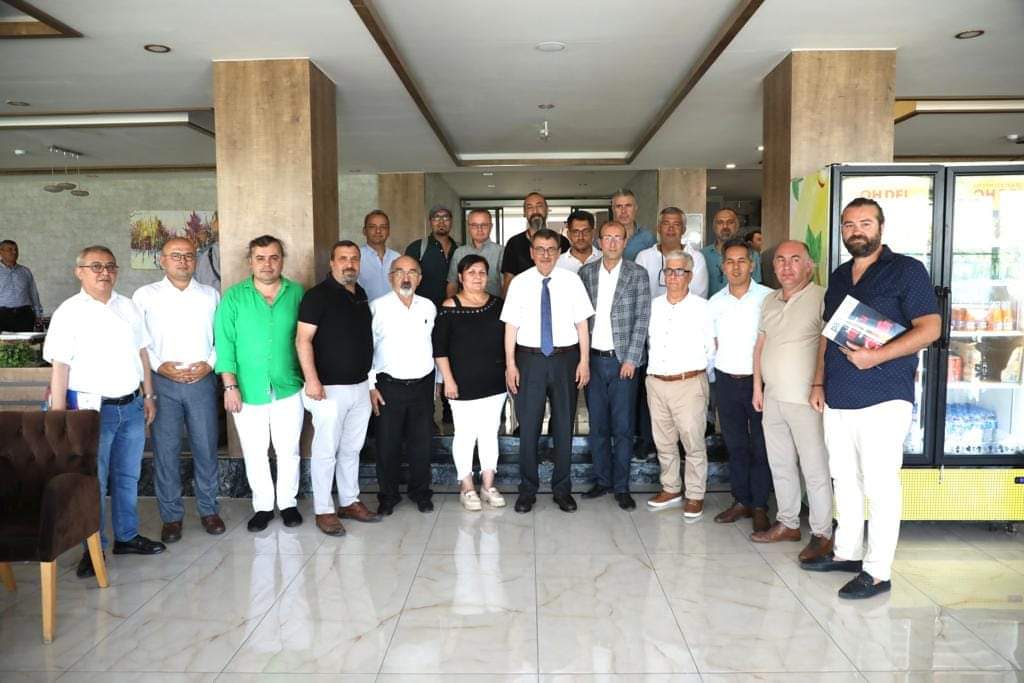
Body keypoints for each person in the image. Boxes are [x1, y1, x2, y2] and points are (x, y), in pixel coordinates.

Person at [803, 198, 940, 600]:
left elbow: (930, 328)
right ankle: (847, 552)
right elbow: (828, 334)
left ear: (881, 227)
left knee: (879, 484)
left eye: (865, 223)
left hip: (884, 394)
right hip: (838, 396)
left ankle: (877, 572)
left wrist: (876, 356)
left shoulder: (907, 270)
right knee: (844, 478)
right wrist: (817, 383)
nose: (856, 231)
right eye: (849, 225)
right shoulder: (840, 276)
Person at [44, 245, 164, 578]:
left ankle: (127, 537)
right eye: (95, 266)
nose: (104, 272)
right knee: (92, 482)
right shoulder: (69, 312)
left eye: (110, 266)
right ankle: (93, 549)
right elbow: (60, 368)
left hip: (131, 405)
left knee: (128, 476)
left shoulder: (128, 306)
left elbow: (143, 354)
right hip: (92, 413)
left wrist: (149, 395)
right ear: (79, 272)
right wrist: (58, 418)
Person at [133, 237, 224, 544]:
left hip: (202, 380)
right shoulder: (145, 295)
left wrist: (209, 365)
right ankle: (171, 517)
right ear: (162, 260)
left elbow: (222, 338)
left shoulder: (210, 295)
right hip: (163, 382)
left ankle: (209, 510)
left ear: (195, 261)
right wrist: (160, 367)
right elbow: (139, 342)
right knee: (166, 451)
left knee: (206, 448)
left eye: (188, 255)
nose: (183, 260)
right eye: (176, 255)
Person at [215, 235, 305, 532]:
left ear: (282, 260)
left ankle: (288, 503)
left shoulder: (297, 293)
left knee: (288, 450)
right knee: (255, 452)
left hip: (288, 386)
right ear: (250, 262)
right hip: (247, 389)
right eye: (260, 258)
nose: (267, 264)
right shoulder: (234, 297)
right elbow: (224, 344)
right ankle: (264, 507)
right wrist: (230, 386)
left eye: (274, 257)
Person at [750, 240, 833, 562]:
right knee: (781, 464)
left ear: (809, 266)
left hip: (805, 400)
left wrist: (818, 385)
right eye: (781, 260)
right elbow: (760, 346)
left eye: (795, 259)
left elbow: (826, 345)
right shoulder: (769, 300)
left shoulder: (822, 297)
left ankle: (822, 533)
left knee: (814, 467)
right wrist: (757, 388)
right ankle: (787, 523)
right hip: (772, 397)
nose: (786, 266)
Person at [501, 228, 594, 513]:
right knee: (528, 427)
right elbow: (511, 326)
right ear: (531, 252)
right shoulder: (519, 283)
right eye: (539, 249)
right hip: (529, 360)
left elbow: (582, 324)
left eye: (551, 249)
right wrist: (510, 364)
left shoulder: (572, 281)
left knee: (564, 426)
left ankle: (562, 489)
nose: (545, 254)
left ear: (558, 252)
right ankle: (527, 489)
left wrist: (584, 361)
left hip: (566, 359)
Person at [296, 240, 379, 536]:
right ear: (332, 263)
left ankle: (349, 501)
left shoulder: (360, 294)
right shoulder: (317, 296)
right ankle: (324, 510)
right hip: (328, 389)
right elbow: (303, 340)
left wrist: (370, 384)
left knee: (351, 449)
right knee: (325, 451)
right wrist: (312, 379)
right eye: (343, 258)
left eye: (354, 258)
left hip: (359, 386)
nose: (349, 264)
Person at [578, 221, 650, 510]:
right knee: (598, 426)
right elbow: (579, 319)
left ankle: (621, 486)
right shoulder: (586, 273)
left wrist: (631, 358)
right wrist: (582, 360)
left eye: (617, 237)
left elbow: (642, 318)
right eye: (607, 237)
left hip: (623, 363)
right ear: (599, 241)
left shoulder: (637, 273)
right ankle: (602, 480)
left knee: (622, 427)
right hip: (593, 360)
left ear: (625, 241)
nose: (611, 242)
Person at [434, 254, 507, 511]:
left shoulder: (498, 304)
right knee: (465, 435)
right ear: (461, 277)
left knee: (489, 434)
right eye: (471, 272)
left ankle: (488, 485)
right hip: (461, 383)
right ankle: (466, 487)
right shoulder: (449, 306)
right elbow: (440, 349)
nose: (477, 277)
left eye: (482, 272)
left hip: (495, 382)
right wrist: (448, 381)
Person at [645, 250, 715, 518]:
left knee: (692, 441)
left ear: (690, 275)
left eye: (679, 271)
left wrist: (700, 380)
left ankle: (695, 494)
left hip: (689, 382)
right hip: (656, 382)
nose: (673, 276)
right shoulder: (654, 306)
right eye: (668, 271)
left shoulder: (703, 307)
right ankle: (671, 487)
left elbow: (712, 348)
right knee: (663, 440)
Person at [709, 238, 773, 532]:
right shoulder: (715, 303)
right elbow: (711, 344)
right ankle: (741, 500)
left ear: (752, 265)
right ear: (722, 267)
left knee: (761, 445)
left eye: (741, 261)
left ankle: (760, 505)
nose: (736, 267)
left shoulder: (768, 298)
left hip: (759, 382)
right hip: (726, 381)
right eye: (730, 262)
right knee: (734, 445)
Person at [370, 255, 437, 515]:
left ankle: (421, 493)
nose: (406, 277)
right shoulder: (377, 307)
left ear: (420, 278)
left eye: (412, 272)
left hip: (423, 385)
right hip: (388, 386)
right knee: (388, 444)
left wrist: (438, 382)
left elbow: (434, 345)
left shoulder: (428, 307)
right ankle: (388, 496)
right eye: (400, 272)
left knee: (422, 443)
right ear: (391, 277)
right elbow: (367, 349)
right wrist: (371, 386)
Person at [501, 192, 570, 294]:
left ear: (547, 210)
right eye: (530, 207)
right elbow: (508, 282)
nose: (535, 211)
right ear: (524, 213)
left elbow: (567, 274)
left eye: (539, 206)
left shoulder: (562, 241)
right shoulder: (514, 243)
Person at [635, 207, 709, 299]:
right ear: (658, 228)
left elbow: (698, 296)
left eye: (676, 224)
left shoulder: (696, 258)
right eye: (666, 224)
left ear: (683, 230)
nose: (671, 228)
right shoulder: (643, 257)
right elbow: (638, 294)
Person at [703, 208, 762, 297]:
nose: (725, 226)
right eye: (720, 222)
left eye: (730, 222)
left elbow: (757, 289)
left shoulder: (753, 255)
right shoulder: (702, 255)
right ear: (714, 227)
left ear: (737, 226)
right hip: (710, 304)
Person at [406, 204, 456, 308]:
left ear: (451, 221)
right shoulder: (417, 248)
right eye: (436, 217)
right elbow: (406, 280)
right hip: (423, 310)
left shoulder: (459, 250)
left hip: (453, 310)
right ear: (430, 222)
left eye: (445, 217)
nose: (441, 222)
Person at [446, 209, 503, 298]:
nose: (479, 229)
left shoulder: (501, 251)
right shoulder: (459, 252)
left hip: (494, 304)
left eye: (484, 225)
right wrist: (451, 305)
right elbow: (453, 283)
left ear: (491, 226)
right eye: (474, 225)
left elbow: (506, 285)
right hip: (465, 304)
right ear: (468, 227)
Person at [0, 239, 43, 331]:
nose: (14, 252)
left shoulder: (25, 271)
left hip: (24, 315)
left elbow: (33, 293)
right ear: (1, 252)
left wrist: (38, 314)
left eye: (16, 249)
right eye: (10, 249)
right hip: (2, 315)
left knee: (25, 340)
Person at [358, 210, 400, 302]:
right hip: (365, 310)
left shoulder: (397, 258)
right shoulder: (356, 257)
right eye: (372, 227)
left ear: (388, 231)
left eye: (383, 227)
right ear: (364, 231)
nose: (378, 231)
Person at [609, 189, 656, 261]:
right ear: (612, 209)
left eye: (628, 206)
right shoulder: (603, 237)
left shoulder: (647, 238)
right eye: (619, 206)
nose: (623, 211)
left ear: (635, 208)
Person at [556, 210, 601, 274]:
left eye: (585, 231)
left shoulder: (604, 259)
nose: (580, 237)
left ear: (593, 233)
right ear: (568, 234)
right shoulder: (557, 263)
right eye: (575, 232)